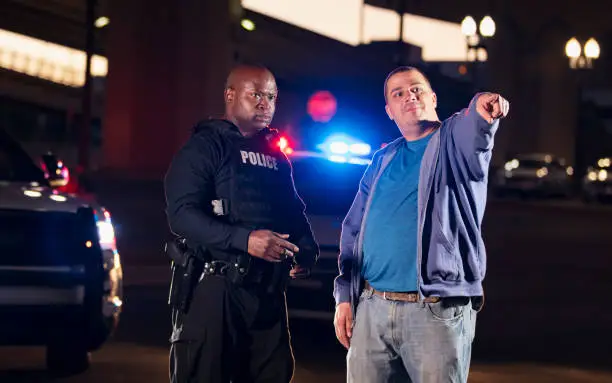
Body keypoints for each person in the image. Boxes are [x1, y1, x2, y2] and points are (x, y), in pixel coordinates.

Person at [333, 66, 509, 383]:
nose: (409, 96)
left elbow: (475, 127)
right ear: (389, 111)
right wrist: (345, 296)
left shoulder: (454, 142)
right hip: (372, 307)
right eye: (398, 93)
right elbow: (353, 230)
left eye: (416, 89)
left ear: (432, 97)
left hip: (434, 312)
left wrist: (484, 107)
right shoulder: (383, 158)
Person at [164, 65, 319, 383]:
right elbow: (181, 216)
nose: (265, 103)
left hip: (266, 295)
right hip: (216, 289)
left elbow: (293, 213)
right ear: (230, 95)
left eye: (272, 96)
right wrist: (244, 240)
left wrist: (305, 249)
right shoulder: (205, 147)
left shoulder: (276, 155)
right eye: (256, 94)